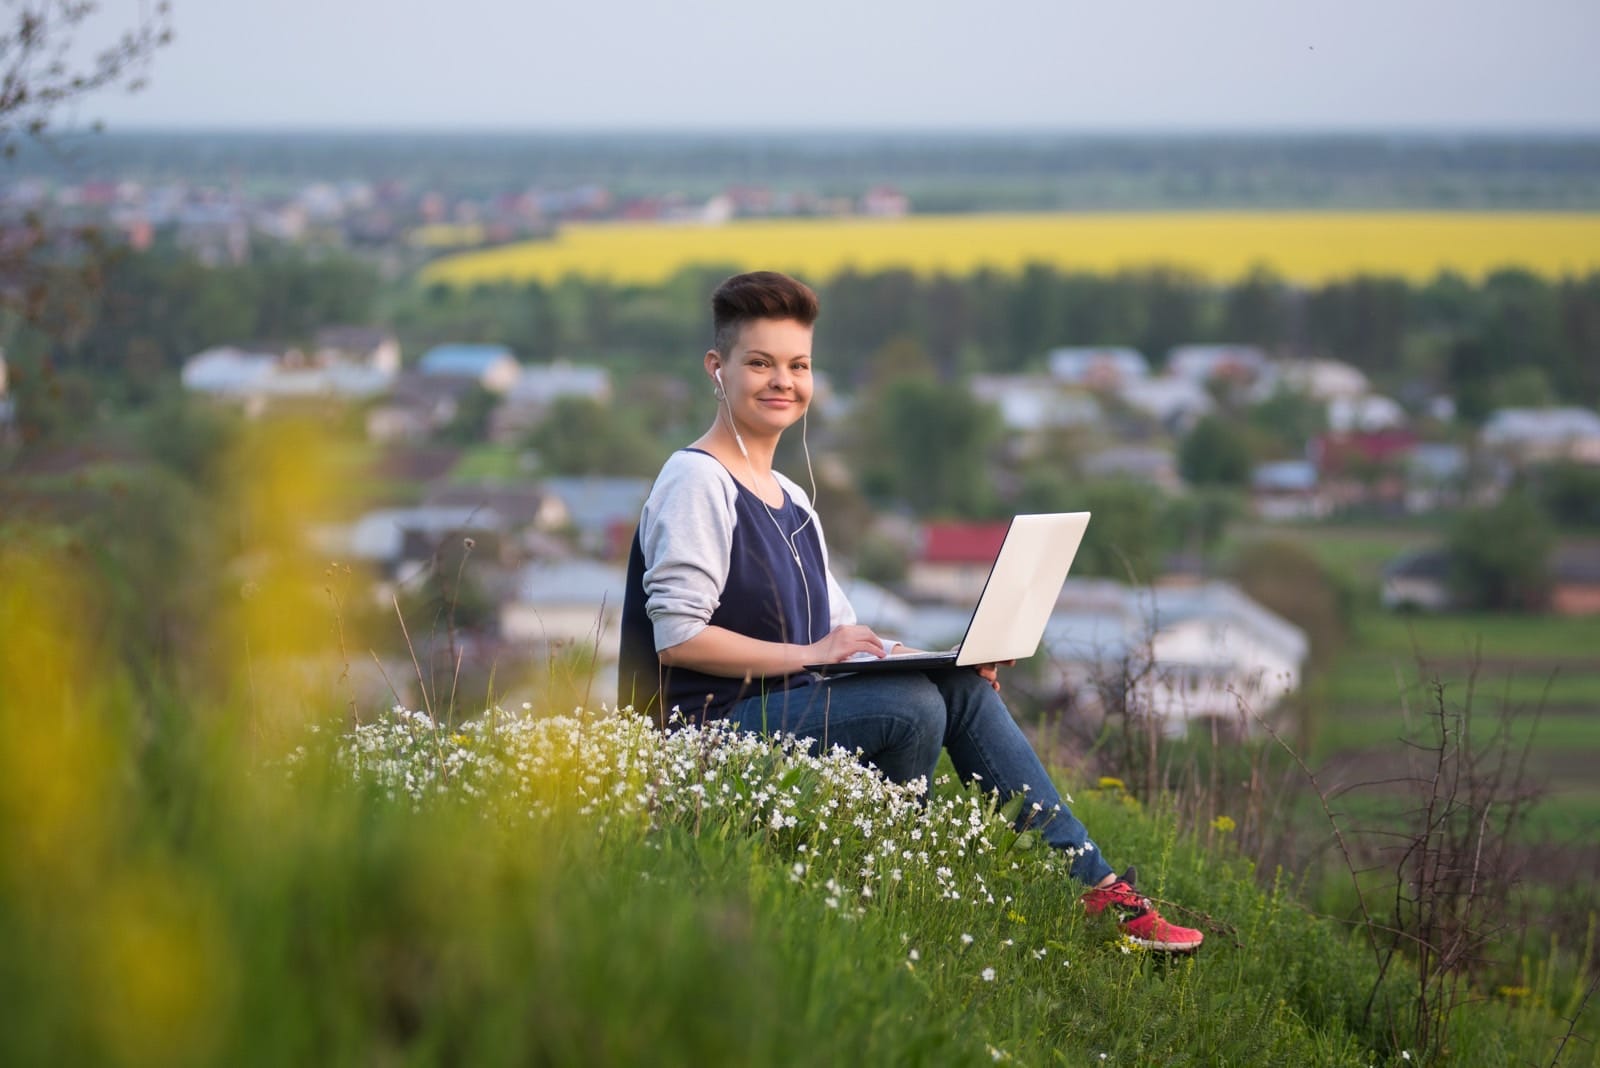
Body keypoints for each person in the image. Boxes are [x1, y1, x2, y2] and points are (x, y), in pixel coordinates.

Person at [619, 270, 1202, 952]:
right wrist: (811, 656)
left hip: (782, 713)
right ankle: (894, 885)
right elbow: (679, 639)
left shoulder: (791, 499)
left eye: (798, 365)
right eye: (760, 363)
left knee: (947, 688)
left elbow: (843, 637)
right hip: (701, 738)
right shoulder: (696, 480)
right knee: (911, 708)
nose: (783, 381)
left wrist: (946, 658)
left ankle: (1098, 889)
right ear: (717, 370)